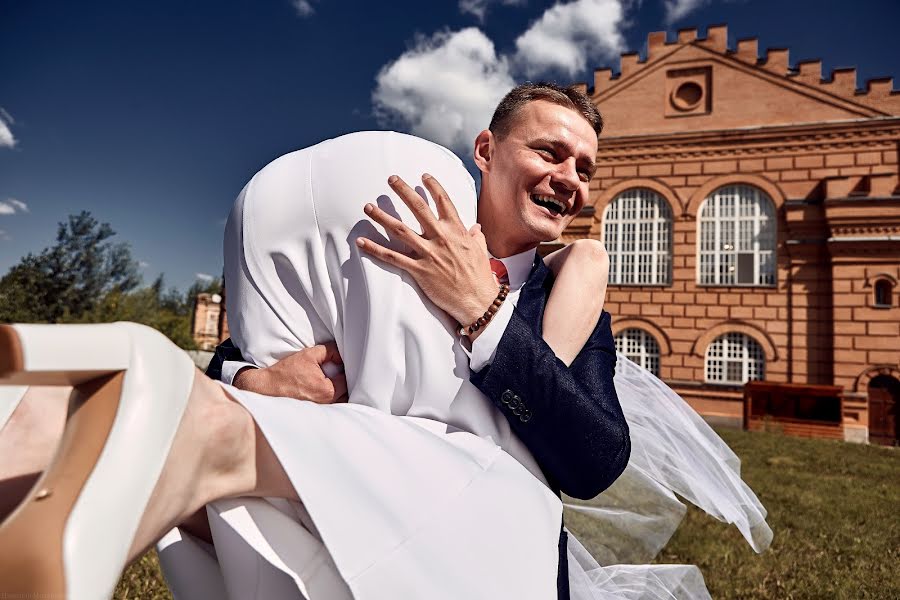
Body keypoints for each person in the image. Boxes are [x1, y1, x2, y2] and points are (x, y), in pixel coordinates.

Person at [0, 85, 771, 600]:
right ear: (486, 151)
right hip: (316, 476)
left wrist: (486, 311)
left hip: (475, 541)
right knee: (186, 423)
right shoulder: (375, 230)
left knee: (189, 434)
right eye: (549, 152)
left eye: (586, 168)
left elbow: (597, 461)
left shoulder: (570, 293)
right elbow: (245, 350)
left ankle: (119, 408)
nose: (571, 178)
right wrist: (254, 379)